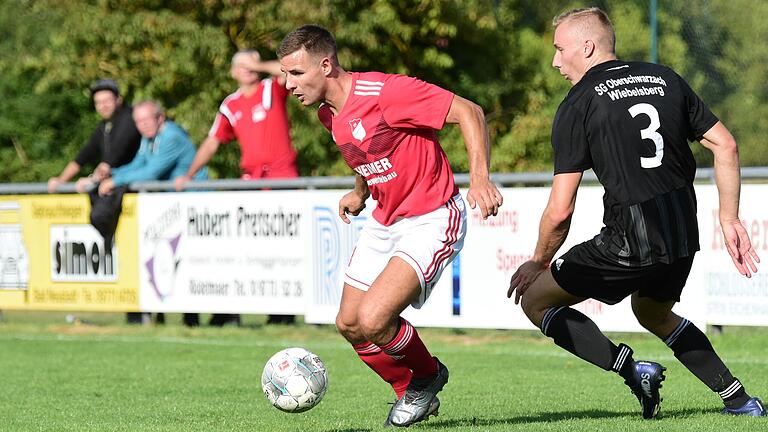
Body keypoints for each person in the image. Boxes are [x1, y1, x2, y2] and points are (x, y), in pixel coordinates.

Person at [507, 7, 764, 419]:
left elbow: (560, 209)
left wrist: (538, 262)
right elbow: (727, 145)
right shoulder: (665, 78)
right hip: (682, 231)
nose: (555, 61)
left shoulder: (579, 102)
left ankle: (633, 370)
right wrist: (729, 218)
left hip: (630, 238)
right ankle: (740, 401)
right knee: (652, 311)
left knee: (536, 301)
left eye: (559, 49)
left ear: (587, 46)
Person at [278, 25, 502, 427]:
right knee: (349, 323)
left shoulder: (386, 92)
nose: (287, 83)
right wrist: (359, 191)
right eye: (285, 74)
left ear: (326, 65)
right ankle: (411, 393)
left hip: (432, 216)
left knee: (375, 319)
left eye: (296, 73)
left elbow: (470, 112)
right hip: (384, 219)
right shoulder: (329, 114)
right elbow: (365, 151)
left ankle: (429, 375)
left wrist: (480, 178)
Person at [175, 49, 297, 326]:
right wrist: (190, 175)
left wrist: (260, 65)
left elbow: (287, 69)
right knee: (246, 248)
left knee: (285, 248)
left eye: (251, 63)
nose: (248, 68)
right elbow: (212, 142)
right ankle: (233, 311)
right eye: (242, 65)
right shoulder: (230, 104)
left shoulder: (270, 89)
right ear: (232, 72)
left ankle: (284, 313)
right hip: (250, 182)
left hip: (282, 179)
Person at [95, 100, 207, 327]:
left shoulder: (171, 137)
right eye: (138, 122)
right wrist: (109, 172)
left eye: (147, 120)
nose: (142, 126)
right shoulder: (149, 139)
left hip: (195, 206)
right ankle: (178, 318)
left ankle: (208, 318)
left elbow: (152, 172)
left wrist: (115, 181)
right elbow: (138, 164)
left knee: (194, 264)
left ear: (160, 118)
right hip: (173, 209)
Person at [47, 79, 141, 194]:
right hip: (118, 187)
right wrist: (61, 180)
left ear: (119, 100)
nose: (103, 106)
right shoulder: (105, 125)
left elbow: (116, 153)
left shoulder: (129, 119)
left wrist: (93, 180)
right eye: (98, 102)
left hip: (137, 188)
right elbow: (84, 155)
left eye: (107, 101)